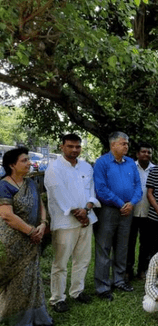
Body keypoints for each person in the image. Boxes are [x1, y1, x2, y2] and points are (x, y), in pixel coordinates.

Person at [44, 134, 101, 313]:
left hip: (87, 218)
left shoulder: (85, 166)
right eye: (70, 146)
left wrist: (88, 208)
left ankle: (77, 291)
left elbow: (92, 189)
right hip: (65, 222)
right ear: (62, 147)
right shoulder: (54, 168)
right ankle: (57, 298)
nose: (74, 150)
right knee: (60, 263)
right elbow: (59, 195)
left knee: (83, 259)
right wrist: (80, 214)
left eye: (77, 146)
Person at [0, 147, 53, 326]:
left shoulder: (30, 183)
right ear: (12, 165)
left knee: (31, 279)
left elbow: (41, 206)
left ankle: (36, 319)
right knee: (16, 282)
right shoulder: (4, 185)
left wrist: (43, 223)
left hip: (33, 239)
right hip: (12, 241)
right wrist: (31, 231)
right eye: (24, 160)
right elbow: (7, 215)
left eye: (29, 160)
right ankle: (14, 322)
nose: (29, 163)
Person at [93, 131, 142, 301]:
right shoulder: (102, 162)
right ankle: (103, 286)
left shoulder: (130, 163)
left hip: (128, 210)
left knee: (122, 246)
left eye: (127, 143)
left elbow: (138, 186)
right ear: (112, 145)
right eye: (123, 143)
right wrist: (121, 203)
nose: (126, 146)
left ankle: (119, 280)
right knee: (104, 247)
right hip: (108, 210)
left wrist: (132, 203)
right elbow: (101, 189)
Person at [126, 143, 155, 282]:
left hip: (149, 213)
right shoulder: (130, 167)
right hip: (131, 212)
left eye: (149, 152)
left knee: (146, 244)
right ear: (137, 154)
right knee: (129, 243)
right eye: (143, 152)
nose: (146, 154)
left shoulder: (155, 170)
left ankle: (142, 270)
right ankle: (128, 270)